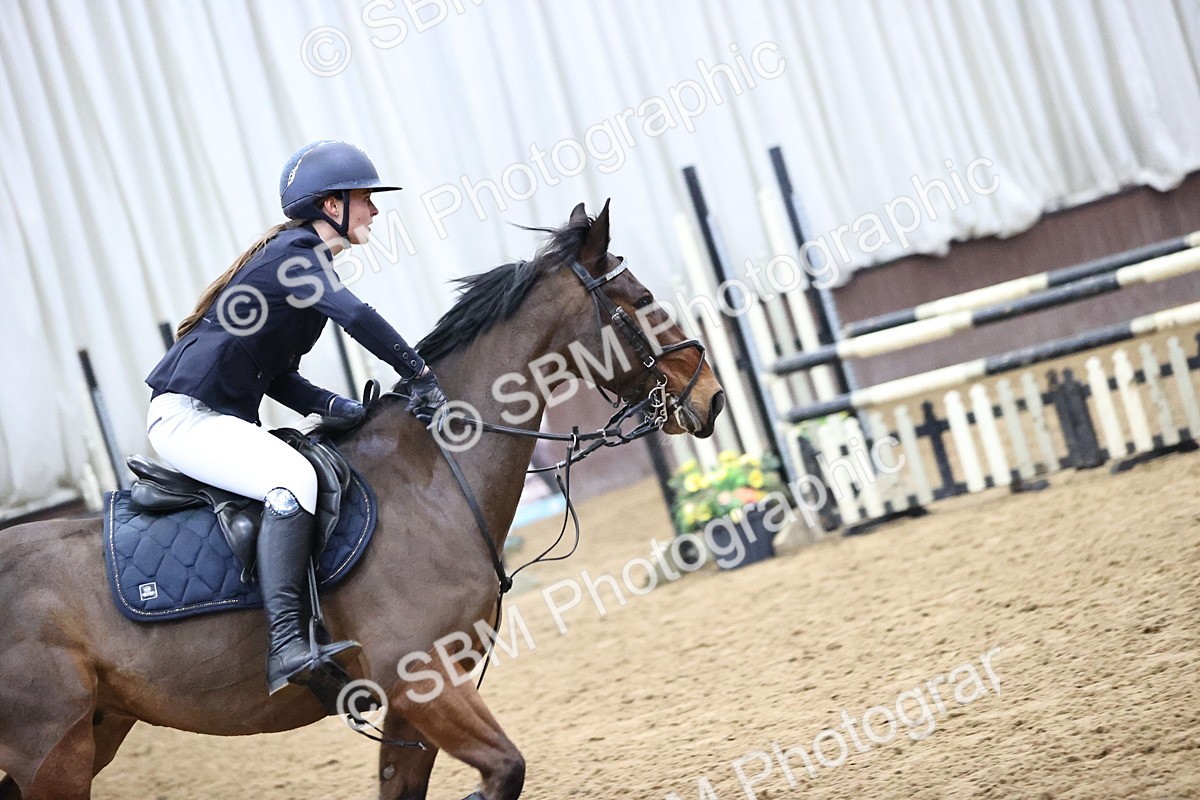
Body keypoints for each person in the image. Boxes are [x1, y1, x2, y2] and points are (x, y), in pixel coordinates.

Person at [144, 140, 446, 695]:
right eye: (365, 199)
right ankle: (287, 644)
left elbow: (280, 377)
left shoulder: (300, 260)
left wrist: (337, 407)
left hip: (214, 417)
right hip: (187, 419)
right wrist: (421, 374)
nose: (376, 211)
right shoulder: (295, 256)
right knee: (293, 479)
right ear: (332, 206)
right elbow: (357, 315)